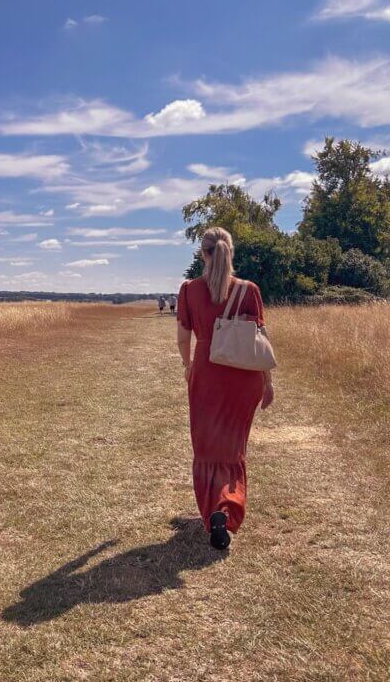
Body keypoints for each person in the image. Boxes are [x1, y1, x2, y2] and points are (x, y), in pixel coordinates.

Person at [174, 226, 274, 550]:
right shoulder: (250, 290)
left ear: (202, 254)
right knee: (233, 448)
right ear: (230, 250)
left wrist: (188, 366)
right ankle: (228, 505)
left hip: (207, 373)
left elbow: (182, 338)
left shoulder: (189, 290)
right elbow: (259, 341)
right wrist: (267, 382)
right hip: (244, 378)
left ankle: (215, 509)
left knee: (207, 447)